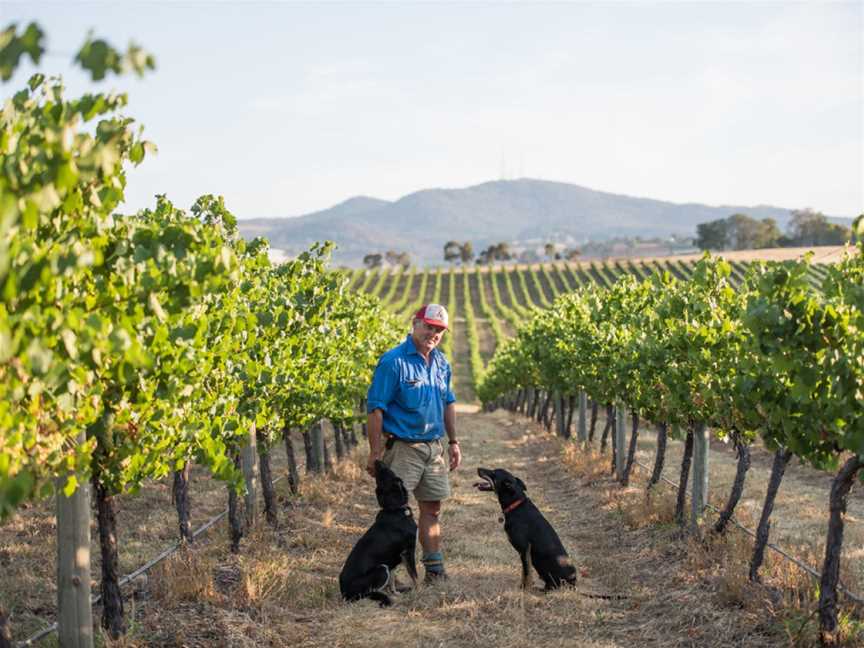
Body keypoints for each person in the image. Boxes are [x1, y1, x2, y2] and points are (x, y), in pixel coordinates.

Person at [366, 303, 461, 583]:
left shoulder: (442, 363)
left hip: (434, 449)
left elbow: (448, 404)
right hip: (403, 448)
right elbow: (375, 409)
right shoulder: (393, 362)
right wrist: (374, 453)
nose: (433, 333)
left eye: (439, 330)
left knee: (432, 509)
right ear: (415, 323)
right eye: (429, 326)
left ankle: (434, 569)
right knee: (394, 512)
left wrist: (453, 441)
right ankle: (386, 572)